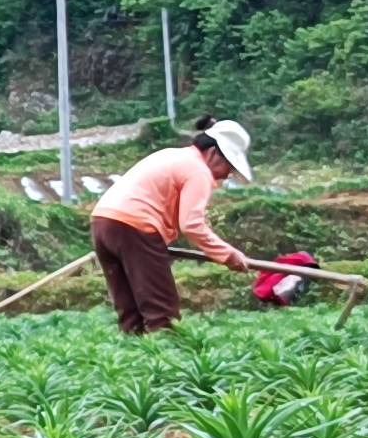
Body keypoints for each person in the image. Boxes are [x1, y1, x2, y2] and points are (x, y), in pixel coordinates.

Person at [85, 117, 259, 335]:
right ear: (214, 153)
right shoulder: (198, 171)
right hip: (135, 227)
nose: (228, 174)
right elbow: (192, 225)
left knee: (131, 314)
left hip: (103, 223)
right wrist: (228, 255)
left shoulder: (173, 155)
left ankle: (135, 360)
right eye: (229, 165)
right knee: (162, 314)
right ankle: (167, 360)